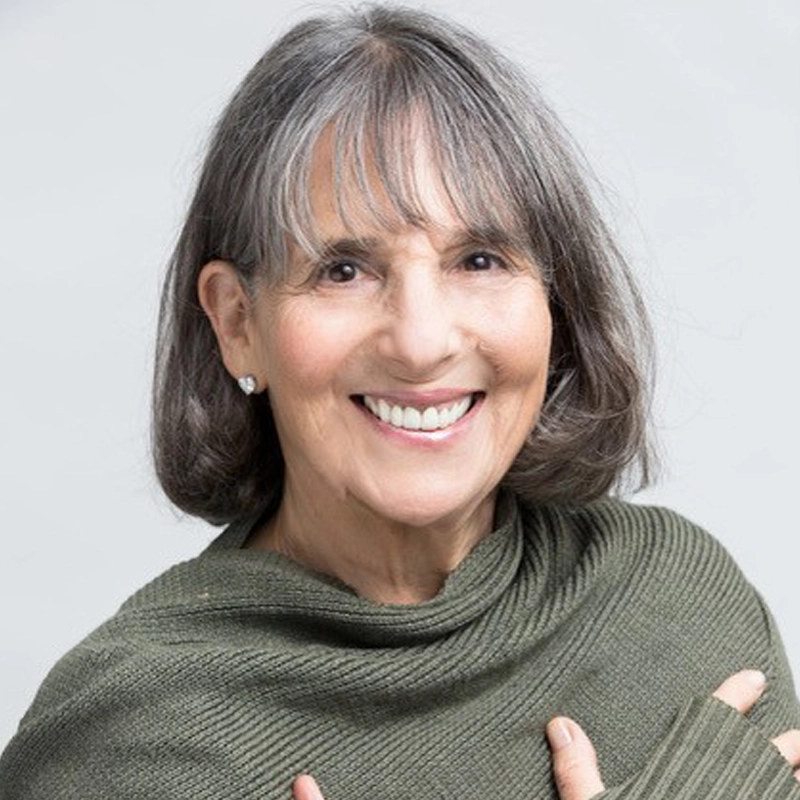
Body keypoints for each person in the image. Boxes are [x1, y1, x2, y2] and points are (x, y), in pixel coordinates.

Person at [1, 5, 798, 799]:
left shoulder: (676, 605)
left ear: (553, 300)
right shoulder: (130, 749)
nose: (420, 343)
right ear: (238, 323)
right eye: (344, 270)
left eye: (479, 260)